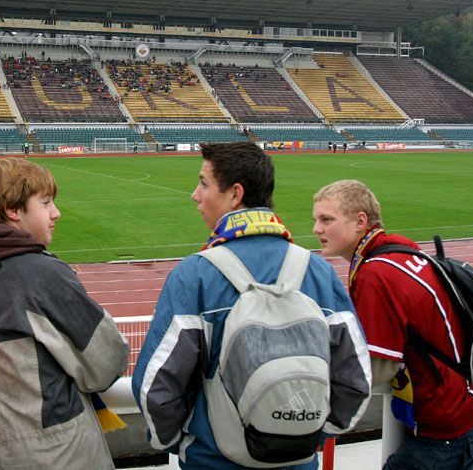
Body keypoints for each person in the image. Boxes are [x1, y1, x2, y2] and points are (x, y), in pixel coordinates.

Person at [132, 142, 362, 468]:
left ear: (235, 194)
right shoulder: (318, 272)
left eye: (203, 183)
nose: (195, 195)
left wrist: (178, 442)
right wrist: (310, 434)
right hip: (300, 460)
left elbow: (155, 385)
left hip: (212, 459)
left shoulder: (194, 275)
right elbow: (356, 377)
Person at [0, 157, 130, 468]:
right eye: (46, 202)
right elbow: (108, 362)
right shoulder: (42, 275)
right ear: (13, 210)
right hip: (57, 457)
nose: (56, 213)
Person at [312, 180, 473, 470]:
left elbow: (376, 366)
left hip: (444, 427)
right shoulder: (402, 252)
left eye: (327, 220)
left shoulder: (376, 273)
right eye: (316, 220)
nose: (316, 229)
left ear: (360, 221)